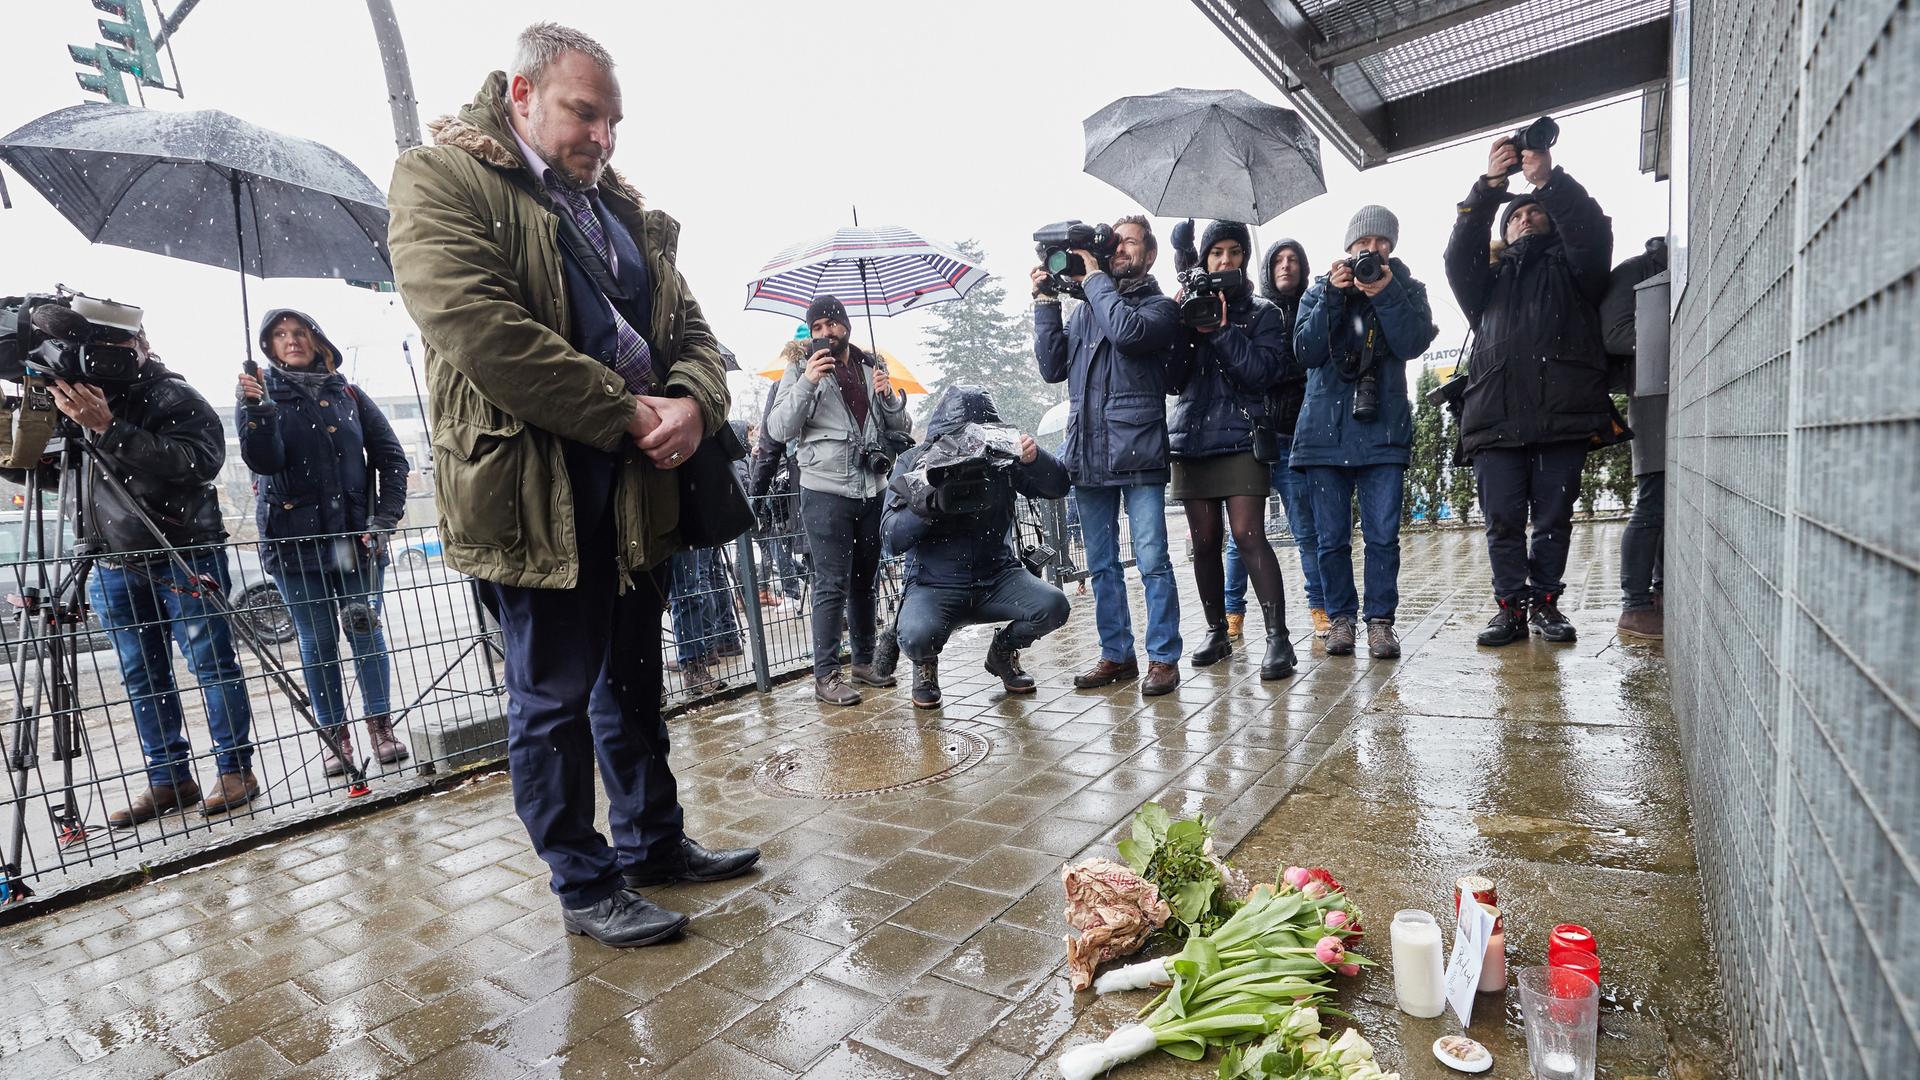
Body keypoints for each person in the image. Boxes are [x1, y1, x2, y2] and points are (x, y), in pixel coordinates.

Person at [387, 22, 759, 948]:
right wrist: (632, 413)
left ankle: (653, 843)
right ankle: (585, 884)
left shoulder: (622, 213)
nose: (602, 137)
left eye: (614, 121)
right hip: (532, 489)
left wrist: (691, 405)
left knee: (633, 682)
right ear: (521, 95)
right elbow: (484, 331)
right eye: (584, 113)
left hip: (638, 486)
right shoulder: (439, 178)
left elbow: (699, 336)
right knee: (552, 698)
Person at [3, 299, 259, 824]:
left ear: (141, 344)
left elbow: (200, 462)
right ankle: (169, 780)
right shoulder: (69, 396)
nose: (104, 355)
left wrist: (109, 427)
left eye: (117, 344)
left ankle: (236, 771)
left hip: (183, 552)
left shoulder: (172, 393)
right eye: (94, 343)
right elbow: (62, 476)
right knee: (142, 676)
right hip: (111, 560)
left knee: (211, 667)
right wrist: (12, 449)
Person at [1444, 134, 1615, 646]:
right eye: (1514, 215)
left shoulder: (1577, 266)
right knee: (1501, 521)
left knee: (1553, 518)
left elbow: (1589, 227)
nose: (1524, 217)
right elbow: (1458, 256)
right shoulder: (1486, 283)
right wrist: (1491, 186)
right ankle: (1510, 608)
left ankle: (1544, 603)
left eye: (1533, 211)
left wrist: (1547, 179)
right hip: (1495, 418)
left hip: (1562, 413)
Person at [237, 309, 410, 776]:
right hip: (293, 545)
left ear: (316, 339)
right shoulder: (259, 393)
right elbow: (265, 462)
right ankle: (336, 738)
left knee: (363, 628)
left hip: (356, 538)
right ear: (268, 345)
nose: (291, 340)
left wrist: (384, 520)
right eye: (279, 334)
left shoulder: (348, 392)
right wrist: (257, 414)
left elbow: (393, 458)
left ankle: (381, 726)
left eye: (299, 332)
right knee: (317, 643)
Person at [1032, 215, 1184, 695]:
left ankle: (1163, 658)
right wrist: (1045, 302)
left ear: (1150, 254)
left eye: (1130, 243)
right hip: (1089, 452)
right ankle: (1117, 655)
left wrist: (1094, 278)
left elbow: (1128, 334)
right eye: (1114, 243)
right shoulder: (1086, 309)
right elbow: (1052, 366)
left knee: (1152, 558)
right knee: (1101, 564)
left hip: (1137, 450)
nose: (1119, 250)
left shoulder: (1159, 308)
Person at [1292, 206, 1439, 659]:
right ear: (1348, 247)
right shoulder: (1320, 289)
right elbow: (1305, 350)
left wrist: (1385, 294)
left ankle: (1380, 623)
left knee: (1381, 537)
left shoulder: (1408, 289)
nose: (1370, 250)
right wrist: (1334, 300)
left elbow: (1412, 342)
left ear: (1391, 248)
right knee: (1330, 538)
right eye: (1362, 244)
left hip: (1382, 434)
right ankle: (1340, 621)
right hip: (1323, 435)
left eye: (1380, 243)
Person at [882, 386, 1072, 708]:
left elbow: (1058, 486)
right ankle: (925, 665)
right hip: (934, 584)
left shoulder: (1001, 458)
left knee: (1054, 606)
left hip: (998, 576)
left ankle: (1002, 652)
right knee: (915, 634)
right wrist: (927, 505)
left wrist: (1034, 459)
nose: (972, 444)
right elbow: (890, 538)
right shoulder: (915, 462)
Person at [764, 295, 911, 705]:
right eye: (818, 328)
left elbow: (900, 428)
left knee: (866, 579)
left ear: (846, 325)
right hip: (824, 489)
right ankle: (826, 674)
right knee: (830, 585)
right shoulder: (797, 370)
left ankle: (863, 661)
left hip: (872, 489)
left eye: (832, 324)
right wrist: (808, 381)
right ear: (811, 335)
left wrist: (889, 399)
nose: (827, 333)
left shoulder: (871, 367)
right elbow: (779, 428)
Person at [1166, 221, 1296, 680]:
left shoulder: (1262, 313)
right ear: (1203, 259)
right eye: (1216, 252)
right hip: (1191, 438)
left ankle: (1279, 638)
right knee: (1203, 543)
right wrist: (1181, 325)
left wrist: (1221, 329)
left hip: (1241, 435)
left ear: (1243, 258)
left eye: (1234, 251)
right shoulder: (1187, 306)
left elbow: (1261, 373)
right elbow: (1172, 379)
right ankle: (1217, 631)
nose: (1225, 260)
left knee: (1248, 535)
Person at [1224, 238, 1328, 642]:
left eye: (1294, 260)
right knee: (1242, 535)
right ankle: (1233, 613)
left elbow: (1301, 364)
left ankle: (1319, 608)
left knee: (1306, 531)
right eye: (1278, 260)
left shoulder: (1312, 310)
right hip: (1252, 438)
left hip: (1296, 439)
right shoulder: (1251, 314)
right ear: (1267, 269)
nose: (1286, 266)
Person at [1602, 238, 1669, 641]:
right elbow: (1614, 333)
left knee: (1662, 504)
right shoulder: (1637, 270)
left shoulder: (1660, 268)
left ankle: (1657, 593)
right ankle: (1635, 605)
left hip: (1667, 394)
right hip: (1651, 397)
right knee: (1652, 502)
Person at [747, 336, 806, 607]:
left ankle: (838, 624)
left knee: (822, 569)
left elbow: (770, 446)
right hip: (839, 489)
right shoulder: (848, 370)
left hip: (805, 483)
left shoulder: (781, 386)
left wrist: (754, 498)